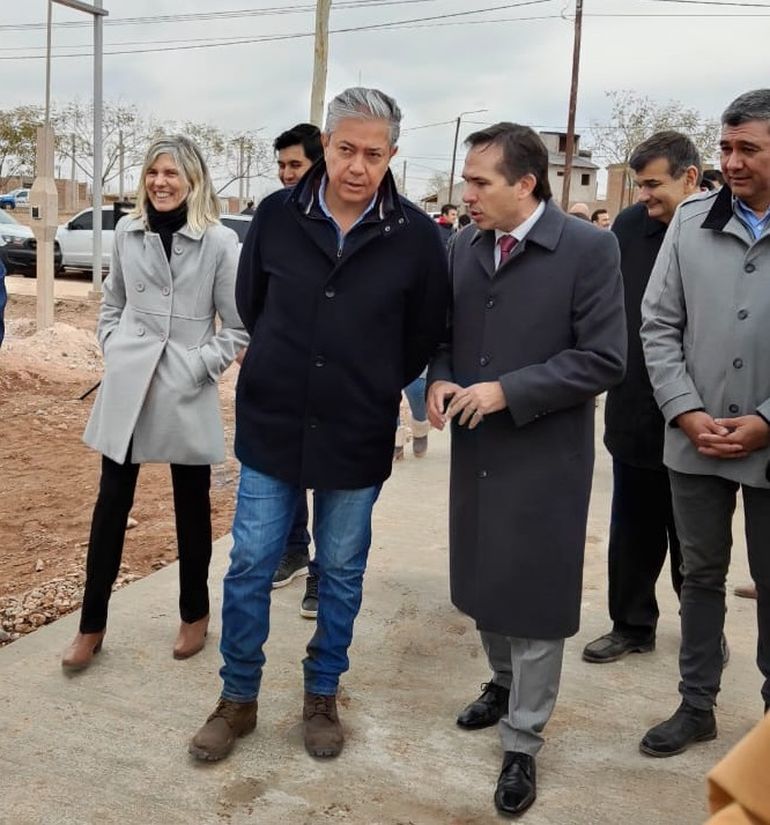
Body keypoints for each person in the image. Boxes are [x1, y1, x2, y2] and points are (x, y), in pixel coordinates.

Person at [189, 87, 448, 763]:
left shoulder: (416, 236)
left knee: (338, 567)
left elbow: (422, 332)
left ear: (393, 153)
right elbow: (253, 301)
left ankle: (321, 693)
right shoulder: (276, 214)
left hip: (356, 427)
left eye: (373, 153)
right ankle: (237, 697)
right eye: (344, 150)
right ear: (325, 145)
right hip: (273, 419)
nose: (357, 166)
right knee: (249, 562)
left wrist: (367, 379)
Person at [427, 122, 626, 817]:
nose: (467, 194)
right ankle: (502, 682)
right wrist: (439, 378)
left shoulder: (589, 249)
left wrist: (510, 390)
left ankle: (523, 740)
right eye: (467, 180)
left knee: (535, 597)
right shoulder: (464, 244)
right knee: (483, 580)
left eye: (481, 182)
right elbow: (445, 333)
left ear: (526, 184)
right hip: (478, 448)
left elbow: (604, 358)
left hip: (544, 454)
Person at [62, 135, 248, 671]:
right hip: (129, 383)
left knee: (191, 507)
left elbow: (237, 329)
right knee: (110, 506)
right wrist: (117, 349)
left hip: (185, 386)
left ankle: (195, 613)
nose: (160, 183)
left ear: (193, 180)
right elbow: (112, 301)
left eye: (171, 173)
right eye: (152, 173)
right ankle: (90, 625)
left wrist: (195, 366)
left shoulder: (217, 242)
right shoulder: (127, 231)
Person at [639, 89, 770, 758]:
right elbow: (658, 323)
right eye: (725, 147)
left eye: (748, 148)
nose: (732, 161)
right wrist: (686, 412)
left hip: (769, 444)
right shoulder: (692, 221)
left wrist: (766, 421)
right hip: (693, 440)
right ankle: (697, 705)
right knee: (700, 575)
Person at [582, 132, 700, 665]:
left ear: (691, 178)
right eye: (638, 184)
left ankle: (702, 632)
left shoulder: (714, 228)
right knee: (632, 529)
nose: (644, 195)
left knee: (696, 541)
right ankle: (631, 624)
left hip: (699, 415)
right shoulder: (628, 227)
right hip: (634, 406)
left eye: (654, 184)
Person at [269, 122, 324, 618]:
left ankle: (324, 574)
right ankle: (292, 553)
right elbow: (253, 296)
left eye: (296, 165)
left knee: (330, 476)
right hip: (285, 375)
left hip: (337, 379)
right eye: (282, 166)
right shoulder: (274, 217)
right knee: (285, 471)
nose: (287, 174)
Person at [274, 122, 324, 187]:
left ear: (319, 166)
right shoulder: (276, 197)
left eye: (295, 165)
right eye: (282, 166)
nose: (286, 176)